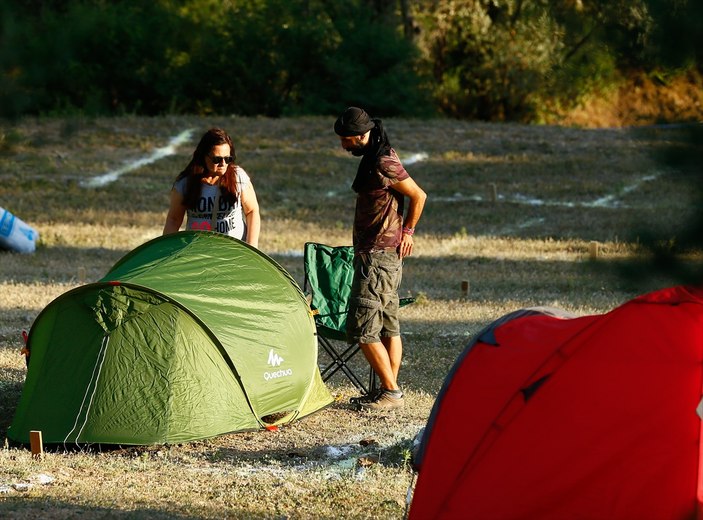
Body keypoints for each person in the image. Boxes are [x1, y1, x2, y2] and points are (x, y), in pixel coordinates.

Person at [333, 106, 427, 411]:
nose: (343, 145)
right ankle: (390, 391)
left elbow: (418, 195)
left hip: (378, 257)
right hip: (380, 257)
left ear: (361, 135)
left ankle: (391, 391)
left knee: (363, 329)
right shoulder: (377, 155)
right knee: (387, 326)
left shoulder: (384, 161)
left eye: (346, 140)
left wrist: (409, 231)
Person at [163, 128, 260, 247]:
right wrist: (166, 250)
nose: (223, 164)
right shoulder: (185, 184)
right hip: (199, 253)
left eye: (228, 159)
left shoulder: (238, 177)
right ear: (204, 156)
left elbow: (252, 211)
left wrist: (252, 247)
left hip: (235, 253)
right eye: (217, 159)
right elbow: (174, 219)